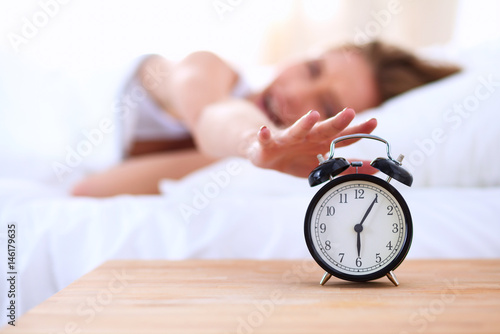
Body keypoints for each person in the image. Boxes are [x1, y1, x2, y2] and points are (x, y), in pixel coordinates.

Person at [72, 40, 460, 197]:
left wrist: (255, 151)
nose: (292, 93)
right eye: (310, 69)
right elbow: (212, 114)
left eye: (325, 107)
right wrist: (251, 143)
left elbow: (89, 191)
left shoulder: (244, 157)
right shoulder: (207, 69)